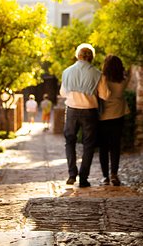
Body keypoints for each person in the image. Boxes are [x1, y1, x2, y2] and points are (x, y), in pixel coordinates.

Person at [60, 43, 102, 187]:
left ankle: (72, 175)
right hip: (90, 111)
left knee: (69, 142)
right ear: (91, 57)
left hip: (72, 110)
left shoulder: (67, 72)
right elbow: (105, 95)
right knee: (88, 145)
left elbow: (63, 93)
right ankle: (83, 179)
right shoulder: (97, 73)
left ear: (78, 56)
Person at [97, 55, 131, 186]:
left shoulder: (102, 79)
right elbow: (127, 74)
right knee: (115, 146)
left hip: (103, 116)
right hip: (118, 115)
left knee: (103, 147)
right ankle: (114, 175)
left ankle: (105, 176)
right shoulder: (123, 81)